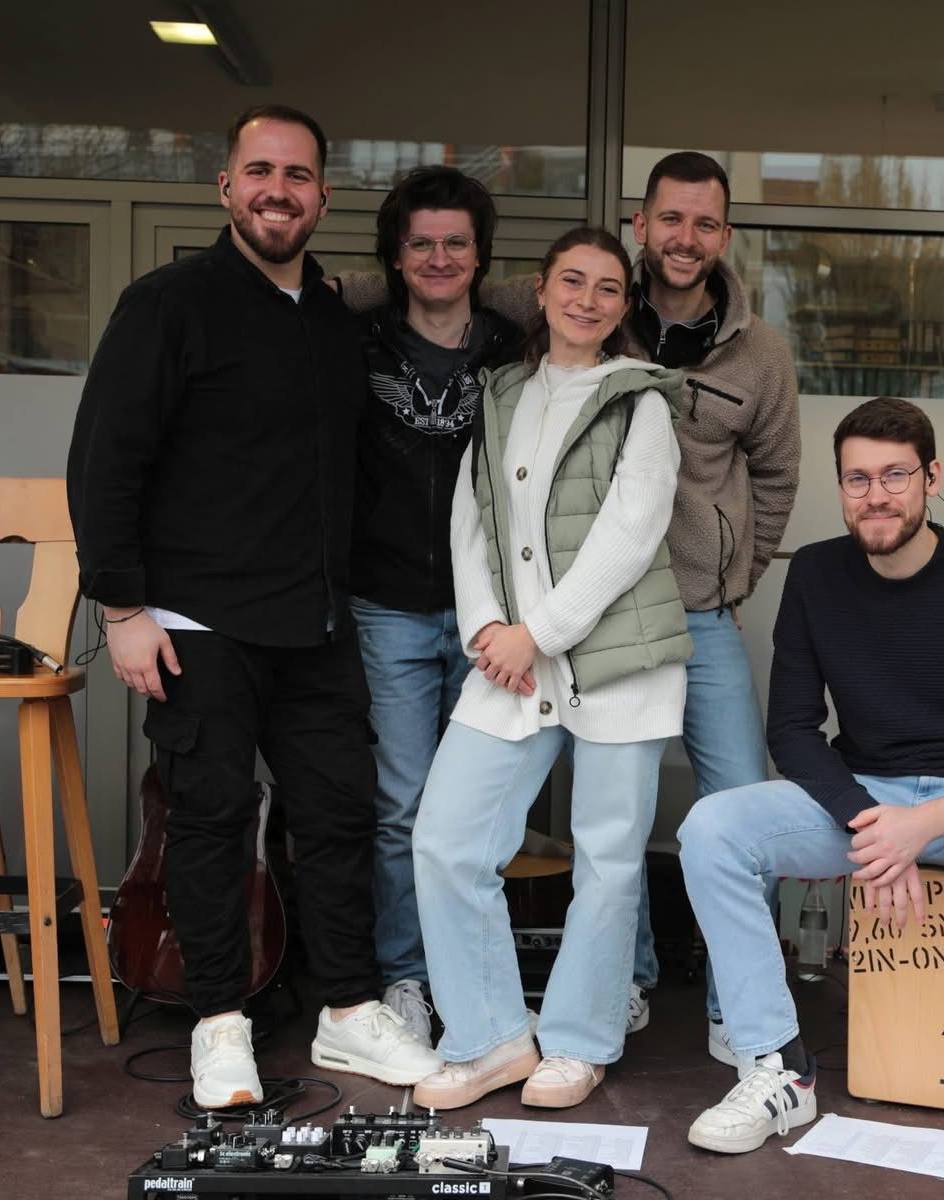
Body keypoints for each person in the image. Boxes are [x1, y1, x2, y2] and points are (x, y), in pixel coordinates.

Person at [336, 152, 802, 1045]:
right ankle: (607, 991)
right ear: (641, 224)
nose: (686, 238)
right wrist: (319, 282)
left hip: (686, 613)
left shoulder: (755, 354)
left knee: (734, 806)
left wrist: (735, 576)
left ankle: (736, 1012)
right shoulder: (539, 332)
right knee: (502, 827)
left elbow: (773, 478)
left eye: (705, 224)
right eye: (672, 220)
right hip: (545, 628)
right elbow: (438, 270)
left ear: (724, 237)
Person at [66, 103, 440, 1111]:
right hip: (195, 621)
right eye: (260, 170)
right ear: (226, 187)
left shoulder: (329, 318)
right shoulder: (167, 305)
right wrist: (121, 609)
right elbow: (105, 461)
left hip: (315, 623)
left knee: (335, 815)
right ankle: (220, 1023)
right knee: (212, 817)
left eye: (299, 175)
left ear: (323, 196)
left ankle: (350, 1010)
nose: (279, 189)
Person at [675, 397, 944, 1197]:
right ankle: (779, 1070)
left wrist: (931, 822)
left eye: (894, 476)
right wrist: (873, 823)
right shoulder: (815, 573)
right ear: (840, 487)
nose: (875, 496)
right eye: (857, 479)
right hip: (865, 795)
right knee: (713, 828)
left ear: (931, 478)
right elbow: (793, 728)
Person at [409, 227, 689, 1112]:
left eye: (609, 289)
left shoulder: (640, 400)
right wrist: (490, 627)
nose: (588, 300)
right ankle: (492, 1037)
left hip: (611, 661)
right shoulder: (500, 391)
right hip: (510, 659)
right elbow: (471, 518)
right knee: (447, 841)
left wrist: (541, 632)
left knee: (607, 859)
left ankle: (578, 1041)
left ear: (623, 307)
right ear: (541, 289)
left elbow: (629, 536)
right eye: (573, 281)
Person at [350, 167, 524, 1046]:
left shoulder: (515, 351)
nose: (439, 257)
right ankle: (407, 977)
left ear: (481, 255)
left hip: (490, 614)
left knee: (481, 810)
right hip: (386, 606)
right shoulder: (356, 342)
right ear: (395, 255)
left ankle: (473, 978)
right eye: (420, 242)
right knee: (403, 807)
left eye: (456, 242)